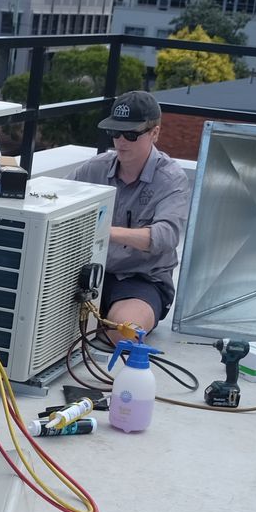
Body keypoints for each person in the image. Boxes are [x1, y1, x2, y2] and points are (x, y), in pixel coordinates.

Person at [67, 90, 192, 342]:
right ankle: (96, 317)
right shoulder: (96, 168)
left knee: (124, 333)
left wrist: (104, 231)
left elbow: (166, 236)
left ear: (155, 133)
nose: (121, 141)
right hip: (90, 272)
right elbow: (55, 200)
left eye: (132, 135)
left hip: (141, 280)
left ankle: (104, 319)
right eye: (115, 132)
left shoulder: (171, 179)